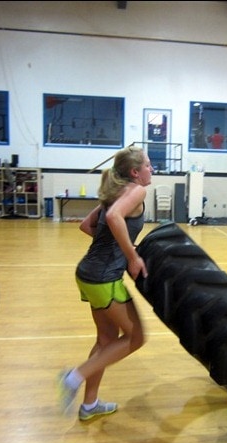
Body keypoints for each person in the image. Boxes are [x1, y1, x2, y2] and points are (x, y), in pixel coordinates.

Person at [58, 145, 153, 421]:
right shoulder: (137, 191)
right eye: (148, 165)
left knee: (106, 340)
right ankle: (73, 377)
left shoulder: (113, 193)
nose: (152, 169)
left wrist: (117, 247)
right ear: (135, 172)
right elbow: (112, 218)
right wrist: (131, 256)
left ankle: (89, 405)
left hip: (87, 273)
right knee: (136, 337)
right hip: (103, 279)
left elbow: (86, 226)